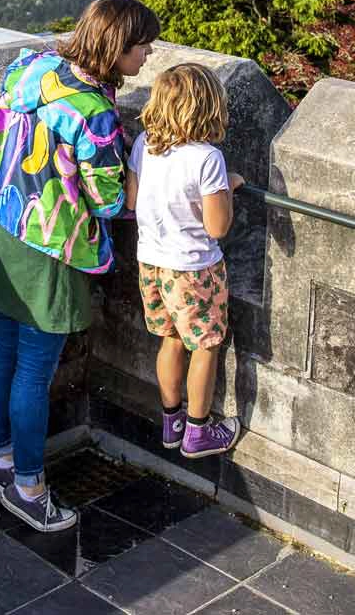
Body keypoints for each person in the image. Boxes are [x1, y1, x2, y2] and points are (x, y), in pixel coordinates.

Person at [0, 0, 160, 532]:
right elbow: (112, 201)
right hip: (50, 241)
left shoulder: (36, 66)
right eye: (142, 48)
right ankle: (27, 487)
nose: (147, 59)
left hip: (2, 221)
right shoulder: (93, 113)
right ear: (117, 48)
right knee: (35, 368)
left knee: (4, 343)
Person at [125, 63, 244, 458]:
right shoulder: (208, 158)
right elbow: (218, 225)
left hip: (151, 263)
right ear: (210, 106)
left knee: (170, 339)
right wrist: (228, 185)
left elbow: (131, 200)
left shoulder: (145, 143)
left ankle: (171, 422)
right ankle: (198, 432)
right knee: (207, 345)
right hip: (194, 268)